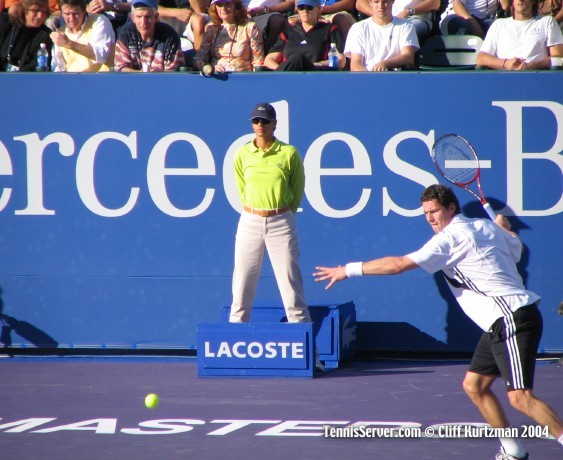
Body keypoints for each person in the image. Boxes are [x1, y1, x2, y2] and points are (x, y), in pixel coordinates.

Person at [313, 184, 563, 460]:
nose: (430, 218)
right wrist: (503, 228)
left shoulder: (451, 237)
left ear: (452, 208)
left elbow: (398, 265)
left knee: (520, 397)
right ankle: (512, 449)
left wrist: (348, 269)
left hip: (510, 318)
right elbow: (515, 245)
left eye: (435, 211)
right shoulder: (487, 227)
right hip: (503, 320)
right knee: (474, 386)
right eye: (426, 213)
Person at [229, 102, 311, 325]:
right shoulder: (242, 154)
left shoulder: (289, 153)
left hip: (281, 221)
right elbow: (242, 188)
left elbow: (297, 189)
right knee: (241, 287)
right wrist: (257, 211)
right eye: (256, 121)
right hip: (250, 220)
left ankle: (303, 349)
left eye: (265, 121)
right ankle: (235, 352)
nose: (260, 125)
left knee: (291, 287)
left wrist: (281, 213)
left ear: (275, 124)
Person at [476, 0, 563, 70]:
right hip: (504, 78)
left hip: (535, 77)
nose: (521, 0)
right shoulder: (498, 24)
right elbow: (481, 58)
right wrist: (505, 63)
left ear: (533, 1)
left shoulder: (547, 22)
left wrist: (533, 66)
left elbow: (558, 57)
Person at [264, 0, 345, 70]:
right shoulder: (289, 31)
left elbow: (341, 59)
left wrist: (318, 64)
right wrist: (281, 70)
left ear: (319, 9)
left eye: (309, 7)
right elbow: (269, 59)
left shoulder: (329, 30)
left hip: (315, 73)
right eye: (301, 8)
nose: (305, 11)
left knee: (298, 58)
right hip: (288, 76)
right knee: (295, 59)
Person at [344, 0, 419, 71]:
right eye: (376, 2)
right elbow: (356, 65)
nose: (381, 6)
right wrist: (371, 78)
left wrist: (385, 64)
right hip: (367, 78)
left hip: (395, 76)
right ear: (370, 2)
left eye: (385, 1)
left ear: (392, 1)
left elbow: (408, 57)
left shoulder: (405, 25)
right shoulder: (358, 28)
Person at [193, 0, 263, 72]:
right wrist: (210, 68)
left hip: (242, 78)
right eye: (219, 5)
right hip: (218, 77)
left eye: (228, 4)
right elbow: (199, 59)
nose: (223, 8)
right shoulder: (211, 28)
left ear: (236, 6)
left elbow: (258, 61)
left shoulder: (250, 28)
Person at [114, 0, 185, 71]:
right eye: (139, 17)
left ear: (156, 17)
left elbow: (173, 73)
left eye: (147, 17)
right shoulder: (126, 33)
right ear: (133, 18)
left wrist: (153, 76)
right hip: (132, 81)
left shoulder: (169, 36)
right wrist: (141, 75)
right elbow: (120, 68)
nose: (143, 22)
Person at [50, 0, 114, 71]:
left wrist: (68, 43)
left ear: (84, 11)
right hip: (72, 79)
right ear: (61, 13)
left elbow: (101, 56)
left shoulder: (99, 21)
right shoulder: (60, 33)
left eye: (75, 14)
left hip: (101, 79)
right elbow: (58, 66)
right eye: (67, 14)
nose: (72, 19)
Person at [0, 0, 53, 71]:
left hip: (23, 78)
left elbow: (36, 67)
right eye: (35, 11)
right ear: (24, 10)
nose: (40, 16)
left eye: (44, 12)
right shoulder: (5, 22)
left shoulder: (45, 35)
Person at [356, 0, 440, 43]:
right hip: (384, 19)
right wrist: (379, 14)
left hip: (414, 17)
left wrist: (409, 11)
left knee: (409, 29)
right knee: (361, 30)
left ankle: (402, 64)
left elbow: (435, 2)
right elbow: (360, 3)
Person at [439, 0, 510, 37]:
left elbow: (505, 6)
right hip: (457, 16)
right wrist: (474, 24)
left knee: (499, 27)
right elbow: (456, 5)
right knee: (463, 25)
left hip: (483, 20)